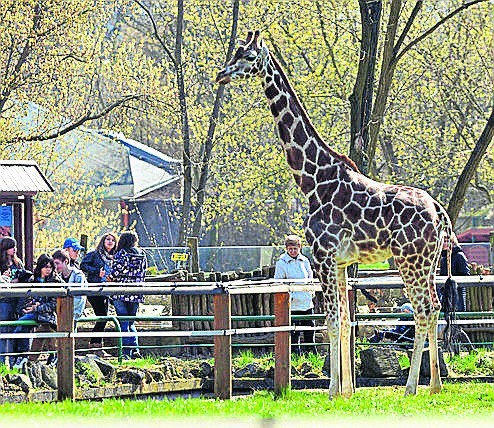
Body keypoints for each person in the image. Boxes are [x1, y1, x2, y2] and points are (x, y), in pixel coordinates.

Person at [12, 254, 62, 369]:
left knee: (46, 338)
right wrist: (27, 307)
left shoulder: (55, 282)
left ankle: (48, 357)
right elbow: (29, 297)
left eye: (50, 267)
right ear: (40, 267)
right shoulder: (34, 279)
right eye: (45, 267)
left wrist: (37, 307)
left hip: (49, 316)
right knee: (20, 327)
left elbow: (54, 304)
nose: (48, 269)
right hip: (36, 313)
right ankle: (24, 356)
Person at [274, 234, 316, 355]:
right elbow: (279, 282)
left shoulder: (305, 261)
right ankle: (294, 356)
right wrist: (290, 296)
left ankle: (311, 354)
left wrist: (311, 293)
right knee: (294, 332)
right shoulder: (282, 263)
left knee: (309, 330)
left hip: (306, 302)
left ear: (300, 247)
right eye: (290, 249)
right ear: (286, 249)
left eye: (295, 248)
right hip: (292, 304)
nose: (293, 251)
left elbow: (310, 277)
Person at [110, 231, 147, 359]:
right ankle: (135, 350)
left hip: (121, 291)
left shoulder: (122, 253)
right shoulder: (142, 254)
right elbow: (143, 272)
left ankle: (126, 352)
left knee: (123, 322)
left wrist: (109, 277)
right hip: (136, 292)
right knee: (131, 323)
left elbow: (119, 270)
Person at [80, 232, 118, 357]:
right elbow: (83, 265)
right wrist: (97, 272)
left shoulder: (115, 257)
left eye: (113, 240)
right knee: (102, 317)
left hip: (107, 291)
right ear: (103, 241)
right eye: (108, 239)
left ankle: (97, 346)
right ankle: (95, 346)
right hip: (95, 290)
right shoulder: (94, 254)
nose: (110, 241)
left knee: (104, 318)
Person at [0, 237, 25, 367]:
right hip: (4, 300)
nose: (14, 249)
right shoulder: (1, 262)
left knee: (15, 331)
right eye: (11, 246)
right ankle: (2, 362)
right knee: (3, 331)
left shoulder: (18, 262)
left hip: (17, 300)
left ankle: (14, 362)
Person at [52, 249, 88, 321]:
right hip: (60, 311)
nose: (55, 266)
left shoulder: (78, 276)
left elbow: (79, 299)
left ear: (66, 261)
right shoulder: (58, 277)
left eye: (57, 263)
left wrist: (63, 307)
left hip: (74, 312)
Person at [439, 234, 470, 311]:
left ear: (453, 242)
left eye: (447, 241)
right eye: (443, 241)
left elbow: (466, 275)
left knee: (459, 316)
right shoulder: (444, 258)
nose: (444, 243)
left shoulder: (459, 256)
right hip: (446, 294)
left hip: (457, 293)